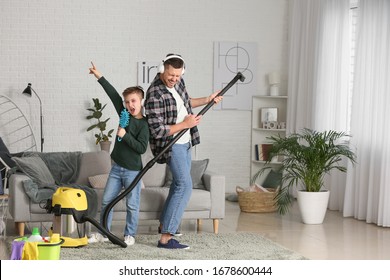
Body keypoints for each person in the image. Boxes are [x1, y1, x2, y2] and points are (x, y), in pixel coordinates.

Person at [145, 54, 222, 249]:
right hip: (172, 144)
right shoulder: (154, 94)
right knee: (184, 186)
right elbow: (157, 130)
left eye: (178, 76)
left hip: (186, 141)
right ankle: (166, 238)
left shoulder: (179, 83)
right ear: (163, 70)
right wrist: (184, 124)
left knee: (178, 186)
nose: (174, 79)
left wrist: (208, 99)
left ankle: (165, 224)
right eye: (171, 75)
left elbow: (186, 102)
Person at [88, 62, 149, 246]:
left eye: (134, 101)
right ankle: (104, 233)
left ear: (141, 102)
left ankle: (129, 235)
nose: (130, 104)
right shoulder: (124, 115)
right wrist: (99, 76)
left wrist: (125, 135)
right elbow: (113, 94)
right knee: (107, 201)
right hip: (116, 168)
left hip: (133, 171)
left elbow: (141, 148)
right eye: (127, 101)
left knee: (132, 205)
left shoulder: (144, 125)